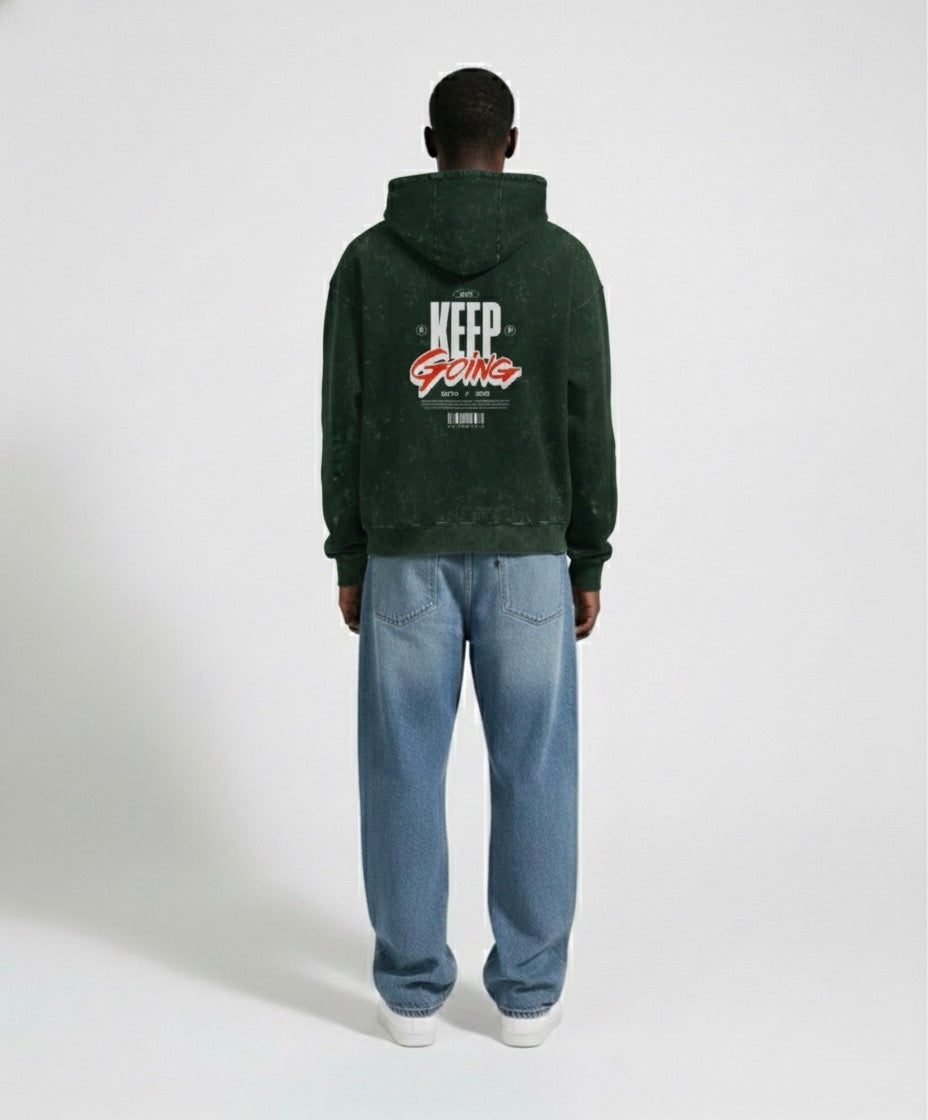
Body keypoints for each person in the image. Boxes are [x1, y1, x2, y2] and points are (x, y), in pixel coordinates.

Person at [320, 67, 618, 1047]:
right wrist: (586, 556)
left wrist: (350, 552)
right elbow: (587, 419)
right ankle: (528, 994)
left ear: (429, 143)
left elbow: (344, 419)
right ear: (512, 145)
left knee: (402, 769)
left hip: (404, 557)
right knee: (536, 770)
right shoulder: (562, 264)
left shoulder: (368, 264)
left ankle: (411, 992)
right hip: (529, 558)